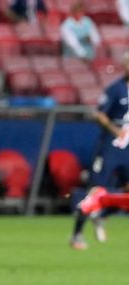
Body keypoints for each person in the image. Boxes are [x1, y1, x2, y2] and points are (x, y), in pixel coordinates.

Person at [70, 52, 129, 250]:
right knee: (95, 190)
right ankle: (77, 234)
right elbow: (100, 115)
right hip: (110, 146)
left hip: (128, 147)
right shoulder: (116, 89)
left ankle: (102, 215)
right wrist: (115, 130)